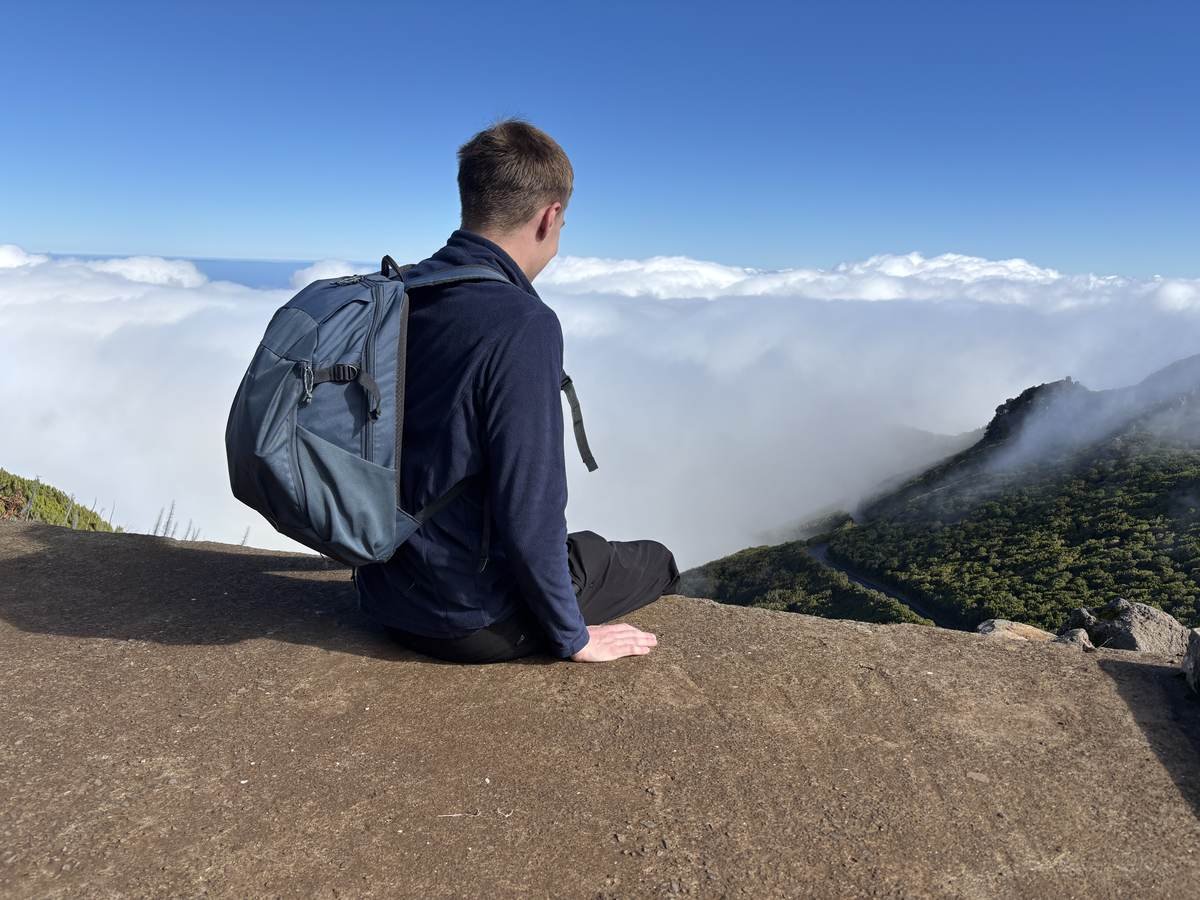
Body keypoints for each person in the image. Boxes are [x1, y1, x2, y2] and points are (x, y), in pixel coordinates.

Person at [353, 118, 681, 664]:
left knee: (589, 549)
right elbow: (530, 504)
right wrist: (573, 636)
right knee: (655, 560)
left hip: (381, 591)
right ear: (550, 216)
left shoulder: (401, 293)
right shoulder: (522, 323)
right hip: (468, 620)